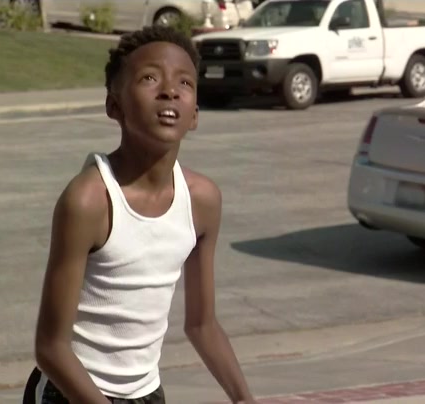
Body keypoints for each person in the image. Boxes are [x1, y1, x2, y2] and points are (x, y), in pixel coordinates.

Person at [22, 26, 258, 404]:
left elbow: (202, 324)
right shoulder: (89, 200)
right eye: (150, 78)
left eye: (184, 82)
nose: (169, 90)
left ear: (195, 114)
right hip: (69, 392)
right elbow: (51, 347)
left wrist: (244, 398)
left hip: (147, 393)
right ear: (114, 106)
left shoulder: (202, 201)